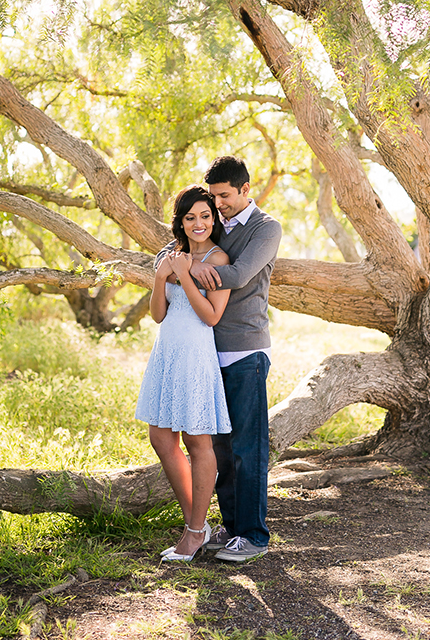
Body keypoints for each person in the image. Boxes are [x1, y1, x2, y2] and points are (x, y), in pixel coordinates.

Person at [182, 156, 283, 564]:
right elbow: (189, 245)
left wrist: (184, 271)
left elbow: (239, 276)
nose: (218, 204)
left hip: (246, 351)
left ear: (245, 189)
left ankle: (255, 536)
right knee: (221, 449)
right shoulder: (218, 226)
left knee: (248, 448)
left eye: (225, 195)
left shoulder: (266, 228)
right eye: (215, 196)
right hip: (210, 352)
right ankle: (233, 526)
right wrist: (185, 263)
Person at [135, 185, 234, 563]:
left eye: (205, 216)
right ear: (180, 221)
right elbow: (157, 314)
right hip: (167, 352)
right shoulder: (171, 256)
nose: (198, 223)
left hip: (195, 353)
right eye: (190, 217)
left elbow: (211, 316)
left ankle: (194, 531)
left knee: (197, 441)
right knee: (161, 437)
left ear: (214, 219)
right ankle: (197, 523)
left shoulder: (219, 258)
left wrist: (186, 274)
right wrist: (162, 277)